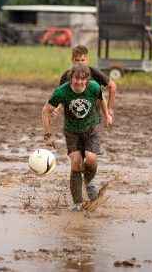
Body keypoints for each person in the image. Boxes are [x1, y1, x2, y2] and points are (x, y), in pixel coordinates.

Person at [42, 63, 113, 212]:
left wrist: (107, 115)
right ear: (71, 78)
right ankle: (77, 203)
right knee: (76, 162)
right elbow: (45, 110)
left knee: (91, 158)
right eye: (76, 78)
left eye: (83, 79)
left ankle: (88, 181)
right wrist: (48, 135)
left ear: (87, 79)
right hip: (72, 131)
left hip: (91, 128)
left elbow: (102, 99)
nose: (79, 82)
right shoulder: (61, 92)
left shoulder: (93, 87)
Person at [59, 45, 116, 119]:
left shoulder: (94, 73)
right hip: (72, 118)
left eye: (82, 60)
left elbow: (112, 86)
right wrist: (59, 107)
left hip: (93, 116)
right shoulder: (66, 76)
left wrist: (109, 108)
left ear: (87, 60)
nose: (80, 63)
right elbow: (60, 96)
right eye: (77, 60)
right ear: (72, 59)